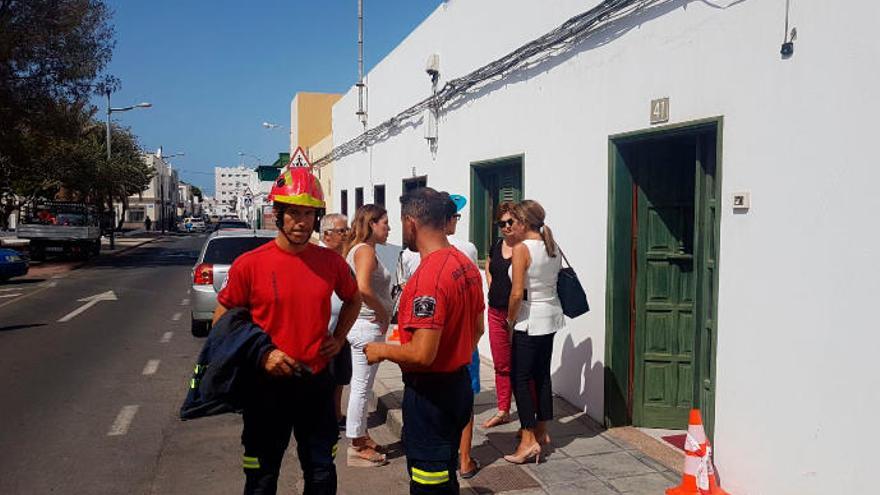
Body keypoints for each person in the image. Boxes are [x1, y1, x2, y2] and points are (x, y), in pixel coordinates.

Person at [212, 165, 362, 495]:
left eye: (309, 213)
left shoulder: (331, 263)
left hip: (316, 384)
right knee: (262, 479)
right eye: (293, 212)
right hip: (266, 388)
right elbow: (221, 322)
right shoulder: (250, 265)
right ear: (277, 214)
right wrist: (260, 354)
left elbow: (354, 299)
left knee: (322, 475)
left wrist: (338, 339)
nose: (302, 222)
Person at [365, 187, 485, 495]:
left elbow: (421, 355)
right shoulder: (465, 265)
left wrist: (380, 350)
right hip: (457, 385)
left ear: (410, 222)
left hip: (432, 395)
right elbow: (478, 329)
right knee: (445, 474)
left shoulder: (429, 277)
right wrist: (454, 351)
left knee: (429, 482)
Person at [504, 200, 564, 465]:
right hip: (551, 314)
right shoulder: (552, 246)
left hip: (529, 319)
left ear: (525, 222)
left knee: (520, 378)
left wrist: (509, 320)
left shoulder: (522, 249)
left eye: (515, 219)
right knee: (541, 375)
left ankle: (528, 440)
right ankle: (542, 430)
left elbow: (517, 293)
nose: (512, 224)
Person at [344, 204, 393, 467]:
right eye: (385, 223)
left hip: (363, 325)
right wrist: (383, 314)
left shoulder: (362, 250)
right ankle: (356, 443)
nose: (389, 228)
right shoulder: (364, 251)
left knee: (361, 387)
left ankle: (361, 435)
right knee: (361, 389)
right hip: (366, 326)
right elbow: (363, 287)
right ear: (372, 224)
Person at [481, 201, 525, 429]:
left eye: (510, 222)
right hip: (496, 311)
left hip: (519, 314)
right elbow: (489, 265)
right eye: (502, 223)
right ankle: (503, 409)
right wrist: (491, 283)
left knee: (522, 366)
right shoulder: (497, 245)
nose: (506, 226)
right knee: (501, 364)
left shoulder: (525, 247)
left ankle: (529, 416)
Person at [319, 213, 353, 431]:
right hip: (324, 334)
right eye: (342, 231)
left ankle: (335, 414)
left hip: (340, 332)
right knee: (325, 382)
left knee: (340, 377)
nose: (347, 234)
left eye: (346, 229)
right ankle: (324, 419)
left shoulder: (340, 258)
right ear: (327, 234)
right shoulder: (318, 258)